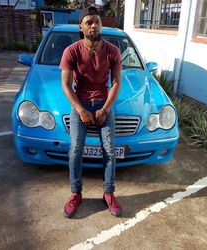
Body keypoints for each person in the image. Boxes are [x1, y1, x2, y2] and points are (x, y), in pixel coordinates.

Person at [59, 6, 122, 218]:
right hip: (81, 103)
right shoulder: (72, 51)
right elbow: (66, 85)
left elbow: (116, 83)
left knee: (110, 150)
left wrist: (105, 109)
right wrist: (80, 110)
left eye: (97, 21)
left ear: (101, 24)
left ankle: (109, 193)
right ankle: (76, 194)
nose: (93, 25)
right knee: (75, 150)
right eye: (89, 22)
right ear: (81, 26)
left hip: (104, 103)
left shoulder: (113, 51)